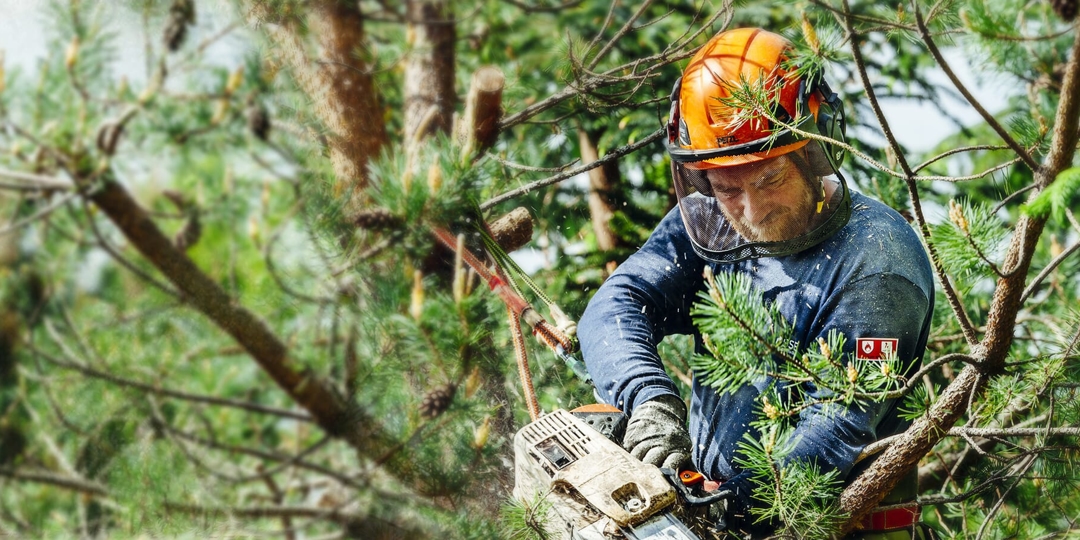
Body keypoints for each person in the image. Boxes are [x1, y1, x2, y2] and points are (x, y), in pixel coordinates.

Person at [578, 27, 935, 537]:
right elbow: (617, 303)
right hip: (715, 511)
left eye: (769, 179)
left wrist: (719, 510)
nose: (751, 210)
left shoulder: (877, 262)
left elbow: (833, 430)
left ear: (812, 152)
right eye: (728, 188)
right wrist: (649, 399)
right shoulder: (713, 225)